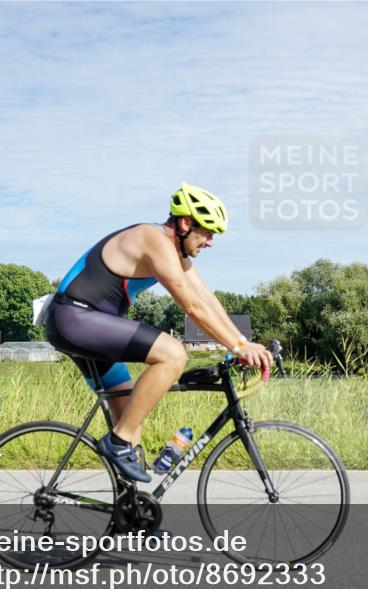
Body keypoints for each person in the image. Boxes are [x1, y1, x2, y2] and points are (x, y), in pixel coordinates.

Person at [45, 183, 273, 482]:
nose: (211, 241)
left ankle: (131, 521)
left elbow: (206, 299)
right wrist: (239, 347)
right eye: (208, 231)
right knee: (173, 353)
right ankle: (117, 442)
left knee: (130, 419)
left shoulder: (174, 252)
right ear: (185, 223)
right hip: (75, 318)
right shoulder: (153, 240)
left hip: (90, 323)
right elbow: (191, 305)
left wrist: (243, 342)